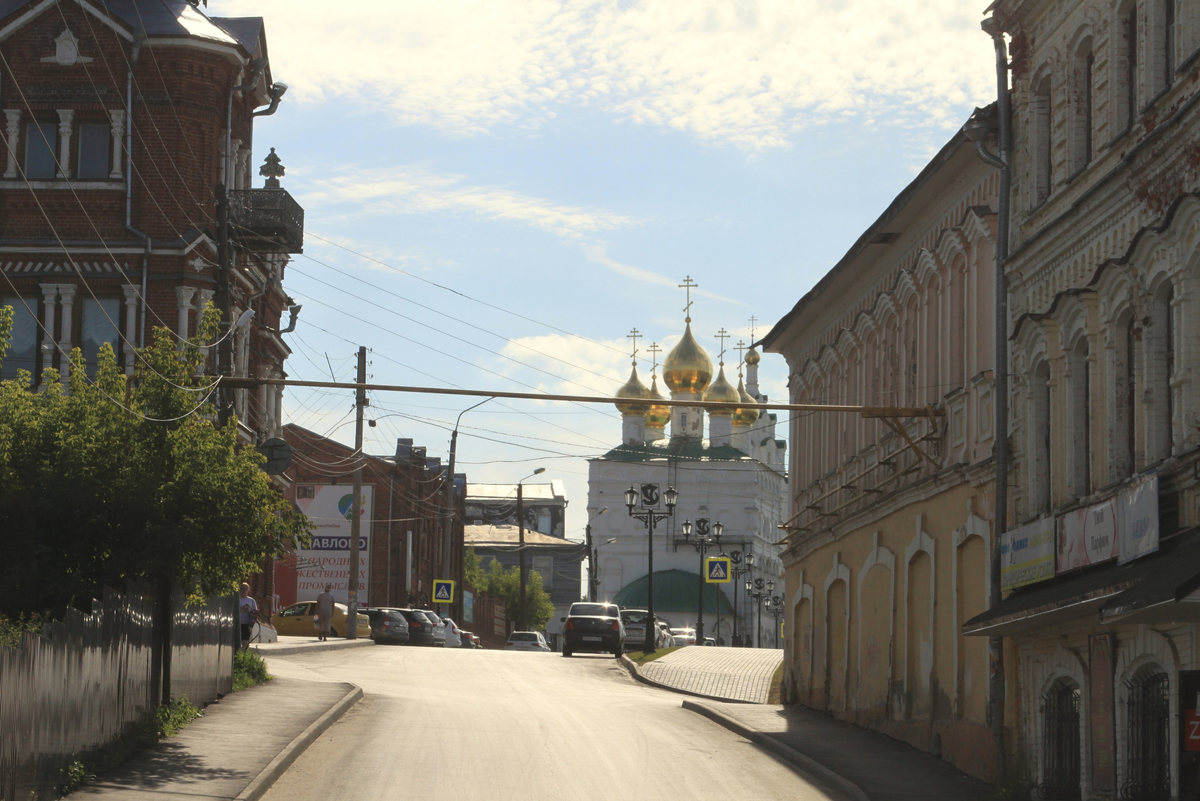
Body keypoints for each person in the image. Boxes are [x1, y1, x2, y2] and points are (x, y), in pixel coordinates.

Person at [238, 583, 258, 650]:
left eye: (245, 588)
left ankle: (243, 654)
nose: (243, 590)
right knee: (238, 639)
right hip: (237, 622)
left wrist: (249, 611)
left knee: (245, 640)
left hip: (247, 623)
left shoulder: (251, 600)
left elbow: (255, 612)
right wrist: (240, 609)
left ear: (248, 590)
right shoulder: (237, 599)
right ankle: (238, 653)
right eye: (242, 588)